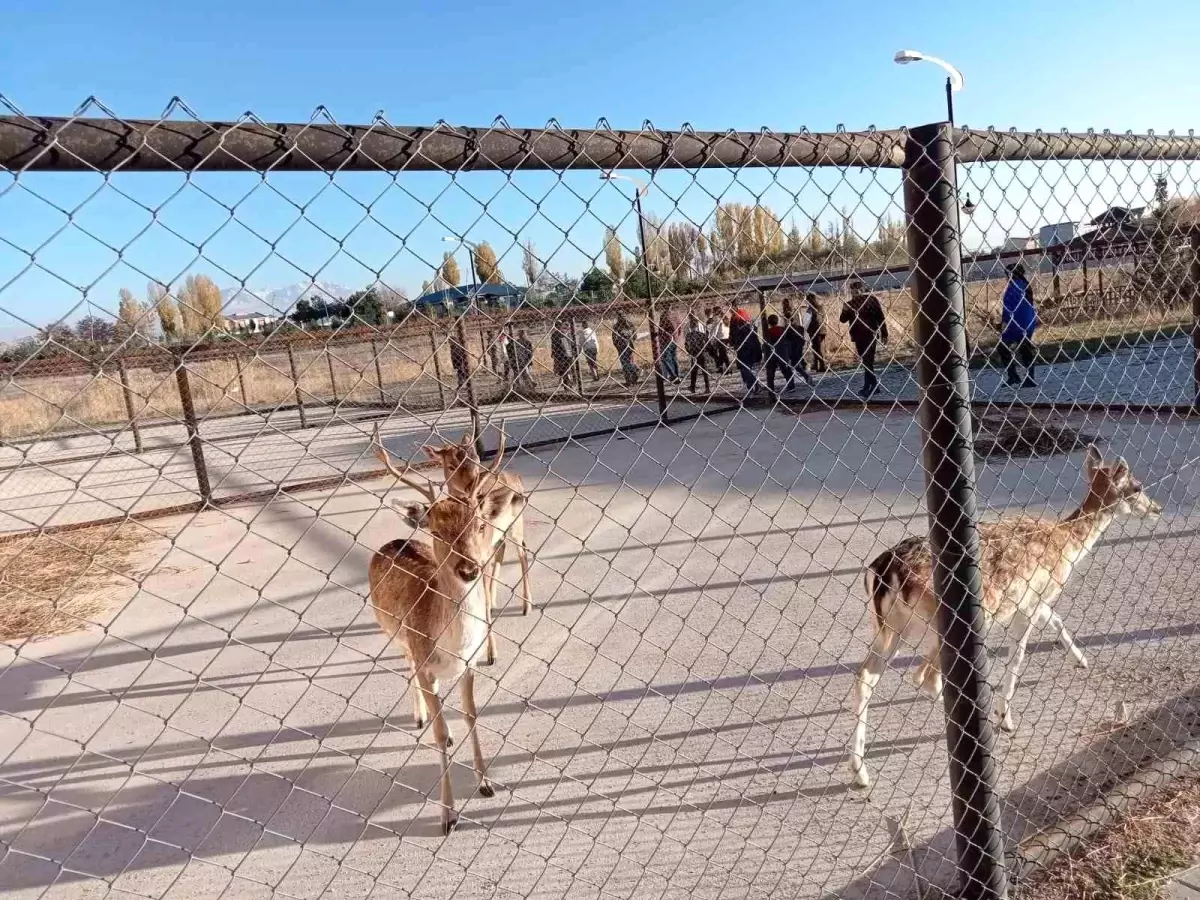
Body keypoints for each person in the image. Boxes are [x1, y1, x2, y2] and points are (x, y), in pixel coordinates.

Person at [839, 278, 889, 399]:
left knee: (867, 361)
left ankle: (869, 387)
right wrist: (845, 310)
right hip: (858, 335)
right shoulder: (850, 304)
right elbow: (842, 319)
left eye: (857, 291)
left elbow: (880, 316)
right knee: (866, 361)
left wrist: (884, 332)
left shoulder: (871, 300)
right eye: (853, 292)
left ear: (862, 290)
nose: (855, 293)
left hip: (870, 333)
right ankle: (873, 386)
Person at [998, 263, 1040, 387]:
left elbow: (1010, 307)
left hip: (1019, 323)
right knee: (1022, 348)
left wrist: (1004, 322)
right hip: (1024, 321)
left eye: (1008, 274)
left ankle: (1020, 377)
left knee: (1010, 348)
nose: (1007, 276)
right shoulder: (1023, 284)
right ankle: (1019, 377)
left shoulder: (1017, 286)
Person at [728, 302, 763, 397]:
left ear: (734, 307)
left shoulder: (738, 318)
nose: (729, 311)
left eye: (730, 308)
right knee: (746, 368)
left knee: (744, 368)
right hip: (749, 345)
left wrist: (731, 341)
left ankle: (754, 385)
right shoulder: (744, 315)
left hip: (744, 346)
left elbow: (734, 333)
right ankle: (751, 387)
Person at [782, 301, 813, 393]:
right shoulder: (799, 328)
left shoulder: (787, 330)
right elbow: (802, 339)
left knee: (791, 366)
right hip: (798, 348)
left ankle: (792, 385)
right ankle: (806, 376)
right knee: (795, 365)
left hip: (791, 349)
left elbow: (785, 340)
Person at [683, 311, 711, 394]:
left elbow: (686, 338)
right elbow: (706, 335)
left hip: (695, 349)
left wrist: (689, 349)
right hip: (700, 348)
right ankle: (706, 387)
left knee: (695, 369)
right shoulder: (699, 324)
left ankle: (693, 387)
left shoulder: (689, 325)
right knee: (703, 368)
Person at [763, 314, 790, 395]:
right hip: (782, 353)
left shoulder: (768, 332)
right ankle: (791, 385)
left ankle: (771, 389)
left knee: (771, 372)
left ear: (769, 323)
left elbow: (766, 343)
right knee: (785, 370)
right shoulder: (782, 329)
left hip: (771, 355)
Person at [612, 313, 640, 386]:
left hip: (624, 347)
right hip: (629, 347)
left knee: (626, 364)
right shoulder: (630, 325)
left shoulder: (617, 326)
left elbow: (614, 339)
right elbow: (635, 336)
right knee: (629, 363)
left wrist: (618, 346)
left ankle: (630, 380)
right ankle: (632, 379)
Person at [656, 311, 681, 383]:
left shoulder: (665, 319)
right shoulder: (674, 317)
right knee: (673, 358)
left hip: (666, 341)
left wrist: (663, 338)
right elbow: (679, 329)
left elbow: (661, 331)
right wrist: (675, 337)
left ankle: (673, 376)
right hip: (674, 340)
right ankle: (677, 375)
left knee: (665, 359)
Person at [805, 293, 827, 373]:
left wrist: (806, 329)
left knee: (817, 348)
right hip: (822, 330)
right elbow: (823, 317)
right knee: (817, 348)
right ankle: (816, 364)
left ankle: (822, 365)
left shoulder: (810, 309)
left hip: (815, 331)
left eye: (807, 300)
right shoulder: (821, 307)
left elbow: (807, 320)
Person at [550, 321, 575, 388]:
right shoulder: (558, 334)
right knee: (564, 369)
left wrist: (553, 353)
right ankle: (567, 383)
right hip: (562, 354)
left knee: (565, 369)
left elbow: (569, 343)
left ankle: (568, 383)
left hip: (564, 354)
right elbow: (554, 345)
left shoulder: (561, 333)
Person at [706, 307, 730, 373]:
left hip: (720, 338)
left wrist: (712, 338)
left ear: (716, 312)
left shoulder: (717, 318)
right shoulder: (724, 317)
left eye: (714, 311)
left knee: (722, 354)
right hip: (726, 337)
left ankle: (725, 368)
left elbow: (715, 329)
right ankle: (724, 368)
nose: (713, 313)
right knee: (723, 353)